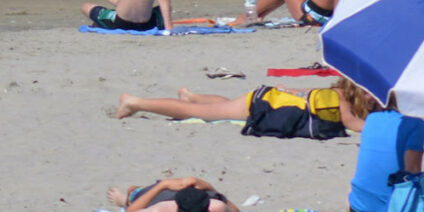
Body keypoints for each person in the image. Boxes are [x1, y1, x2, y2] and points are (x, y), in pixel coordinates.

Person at [113, 80, 344, 129]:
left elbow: (301, 92)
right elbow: (357, 124)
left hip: (266, 98)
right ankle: (135, 102)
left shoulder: (334, 92)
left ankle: (192, 96)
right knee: (195, 113)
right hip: (262, 105)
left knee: (227, 107)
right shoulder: (345, 101)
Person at [347, 91, 424, 212]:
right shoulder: (416, 124)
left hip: (358, 211)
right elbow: (412, 170)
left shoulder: (371, 119)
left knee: (354, 185)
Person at [113, 176, 240, 212]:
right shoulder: (216, 209)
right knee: (135, 190)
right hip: (189, 192)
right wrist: (209, 188)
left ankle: (125, 199)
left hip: (163, 194)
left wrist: (162, 185)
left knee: (134, 192)